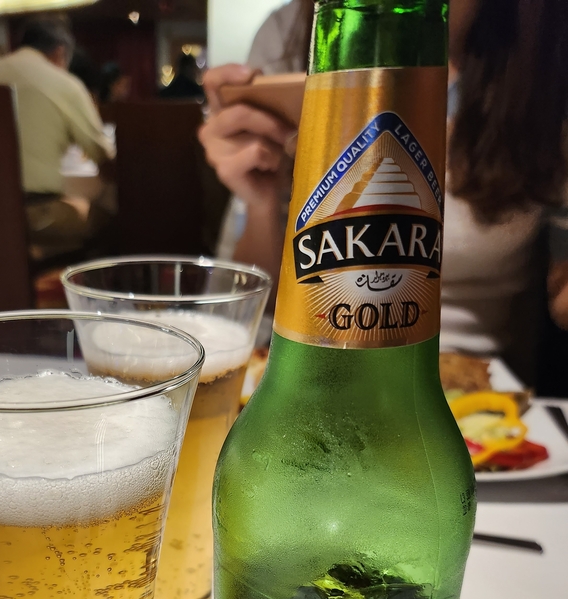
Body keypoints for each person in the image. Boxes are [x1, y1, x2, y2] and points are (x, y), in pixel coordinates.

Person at [199, 0, 568, 370]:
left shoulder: (545, 50)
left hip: (462, 381)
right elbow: (244, 300)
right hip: (309, 363)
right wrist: (259, 202)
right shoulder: (299, 30)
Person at [0, 17, 115, 252]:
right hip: (36, 214)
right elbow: (103, 157)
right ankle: (79, 283)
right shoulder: (65, 84)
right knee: (107, 218)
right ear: (60, 53)